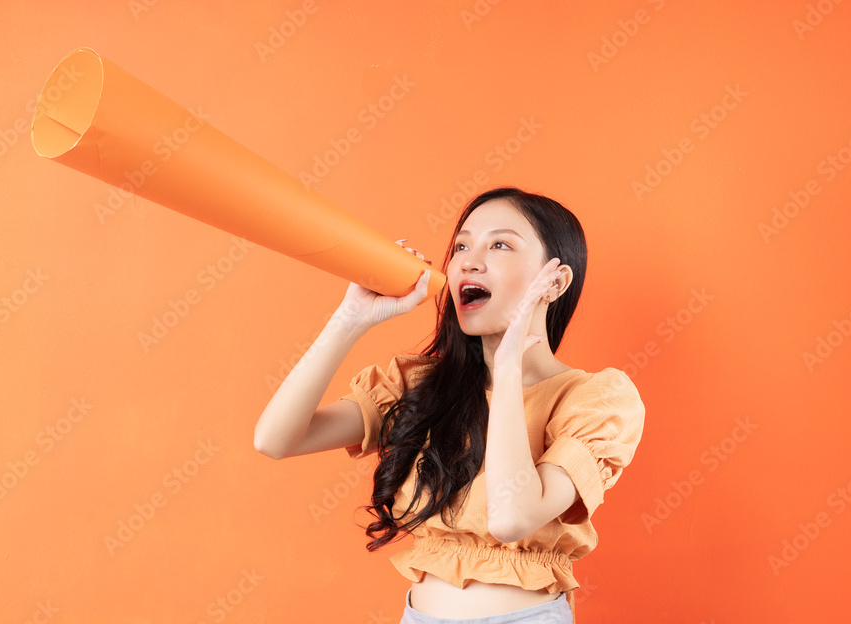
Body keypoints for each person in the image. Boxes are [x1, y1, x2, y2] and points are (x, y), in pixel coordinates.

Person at [254, 187, 646, 623]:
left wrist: (510, 367)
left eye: (499, 244)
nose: (468, 260)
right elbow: (275, 439)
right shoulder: (418, 384)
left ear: (556, 281)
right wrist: (350, 319)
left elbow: (511, 517)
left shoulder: (595, 399)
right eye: (461, 245)